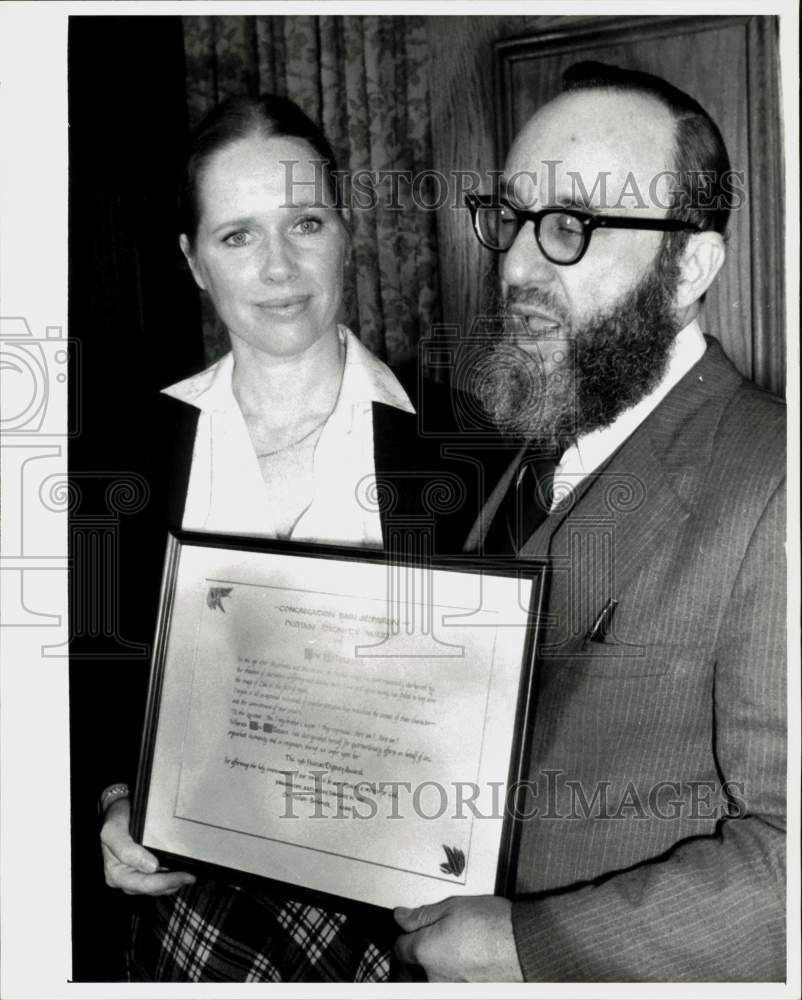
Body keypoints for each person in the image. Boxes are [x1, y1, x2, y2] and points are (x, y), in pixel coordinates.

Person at [393, 62, 786, 982]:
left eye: (573, 224)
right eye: (513, 218)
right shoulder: (506, 448)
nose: (521, 265)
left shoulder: (775, 481)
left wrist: (524, 946)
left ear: (690, 263)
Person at [96, 93, 478, 982]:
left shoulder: (461, 441)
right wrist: (117, 804)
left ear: (346, 231)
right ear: (194, 262)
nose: (279, 266)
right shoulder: (130, 453)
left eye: (305, 221)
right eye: (237, 236)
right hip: (196, 906)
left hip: (400, 914)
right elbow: (103, 677)